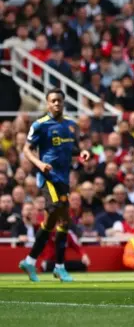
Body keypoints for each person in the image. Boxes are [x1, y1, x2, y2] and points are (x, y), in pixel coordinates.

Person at [18, 89, 91, 282]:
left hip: (64, 180)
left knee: (59, 222)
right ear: (47, 103)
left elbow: (72, 147)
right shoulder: (40, 125)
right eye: (53, 101)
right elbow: (26, 149)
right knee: (59, 209)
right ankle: (58, 267)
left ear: (64, 102)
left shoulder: (70, 125)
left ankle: (32, 261)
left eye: (59, 100)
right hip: (48, 177)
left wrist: (82, 153)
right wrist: (40, 164)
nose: (57, 103)